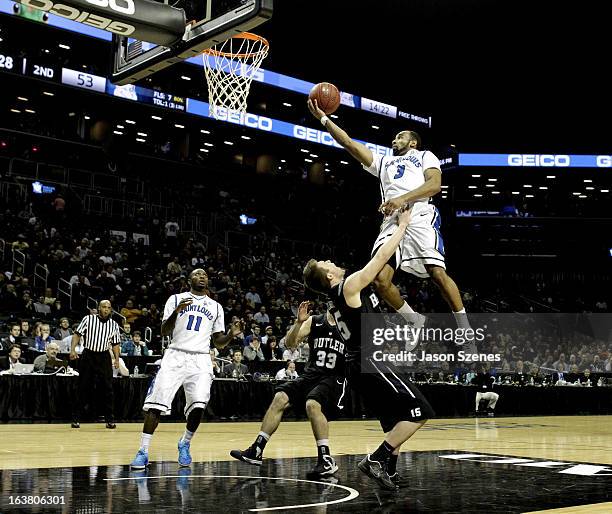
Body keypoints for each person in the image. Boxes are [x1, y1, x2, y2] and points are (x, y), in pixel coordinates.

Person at [307, 99, 475, 340]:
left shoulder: (425, 156)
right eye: (394, 138)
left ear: (413, 142)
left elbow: (434, 185)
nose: (394, 140)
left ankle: (464, 326)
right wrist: (324, 119)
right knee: (379, 279)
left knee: (437, 272)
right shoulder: (384, 161)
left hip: (419, 215)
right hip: (392, 221)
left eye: (399, 137)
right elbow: (348, 143)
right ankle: (414, 320)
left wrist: (402, 199)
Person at [302, 208, 435, 490]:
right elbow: (380, 258)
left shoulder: (337, 299)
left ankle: (391, 471)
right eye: (328, 262)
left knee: (396, 418)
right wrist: (402, 226)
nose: (332, 261)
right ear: (328, 275)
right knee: (420, 411)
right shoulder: (348, 287)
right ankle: (376, 459)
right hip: (369, 360)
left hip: (359, 363)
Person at [130, 269, 244, 470]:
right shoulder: (175, 299)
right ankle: (143, 451)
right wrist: (176, 312)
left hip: (200, 358)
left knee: (199, 406)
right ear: (189, 279)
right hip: (175, 354)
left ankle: (185, 442)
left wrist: (231, 335)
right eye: (197, 274)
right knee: (156, 405)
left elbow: (218, 343)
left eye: (205, 275)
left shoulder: (216, 307)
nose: (202, 277)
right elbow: (164, 331)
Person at [231, 303, 346, 477]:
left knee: (312, 404)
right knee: (280, 397)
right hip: (311, 373)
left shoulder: (349, 324)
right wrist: (298, 323)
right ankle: (257, 450)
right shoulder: (315, 321)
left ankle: (325, 459)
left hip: (333, 376)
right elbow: (290, 344)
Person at [69, 300, 122, 429]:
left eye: (108, 308)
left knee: (108, 389)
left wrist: (116, 359)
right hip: (89, 355)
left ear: (111, 310)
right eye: (104, 307)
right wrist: (72, 349)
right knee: (83, 387)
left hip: (104, 356)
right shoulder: (88, 319)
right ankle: (76, 418)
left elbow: (115, 343)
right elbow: (77, 334)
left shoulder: (114, 324)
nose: (106, 309)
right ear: (99, 308)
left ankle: (110, 419)